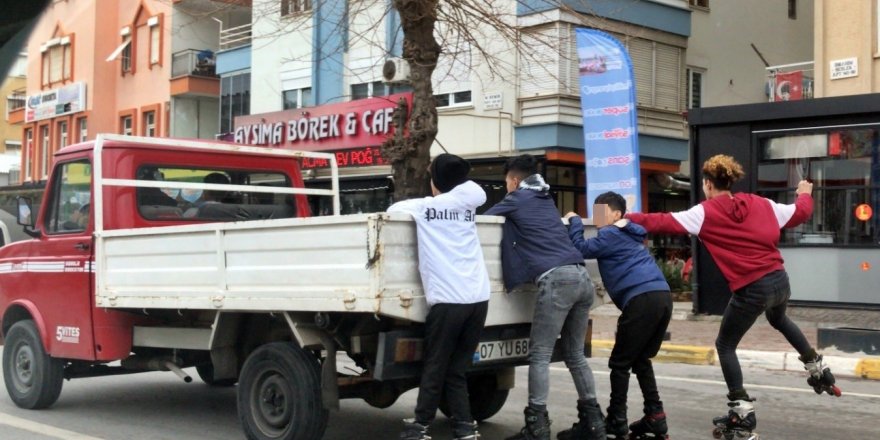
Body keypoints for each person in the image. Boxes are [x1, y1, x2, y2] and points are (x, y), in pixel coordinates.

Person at [625, 154, 837, 436]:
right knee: (779, 319)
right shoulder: (761, 204)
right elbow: (800, 213)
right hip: (779, 281)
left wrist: (619, 218)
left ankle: (742, 412)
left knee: (725, 345)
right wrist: (805, 194)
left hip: (752, 289)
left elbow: (660, 221)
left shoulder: (704, 212)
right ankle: (817, 368)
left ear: (708, 184)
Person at [485, 154, 605, 440]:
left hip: (557, 280)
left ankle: (537, 427)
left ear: (514, 180)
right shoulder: (546, 199)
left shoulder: (517, 199)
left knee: (539, 355)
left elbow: (486, 220)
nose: (507, 189)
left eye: (506, 184)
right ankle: (594, 424)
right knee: (575, 354)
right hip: (581, 277)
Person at [389, 154, 491, 440]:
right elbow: (477, 191)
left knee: (435, 365)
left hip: (448, 301)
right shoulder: (469, 203)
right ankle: (464, 426)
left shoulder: (425, 208)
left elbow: (394, 207)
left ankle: (420, 425)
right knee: (457, 368)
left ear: (436, 182)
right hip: (478, 299)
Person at [563, 192, 672, 440]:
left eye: (602, 211)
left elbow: (580, 248)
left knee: (620, 364)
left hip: (640, 300)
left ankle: (617, 420)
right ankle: (655, 416)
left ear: (617, 214)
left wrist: (575, 221)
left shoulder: (610, 234)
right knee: (642, 360)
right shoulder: (632, 235)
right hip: (662, 297)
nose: (598, 216)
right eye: (595, 210)